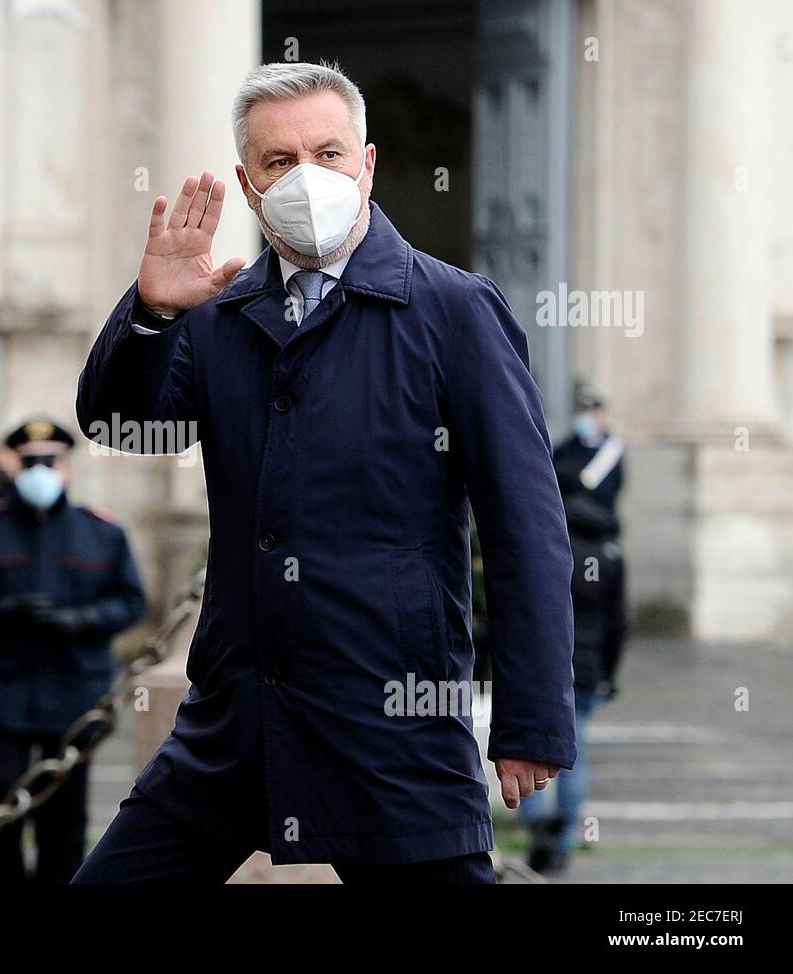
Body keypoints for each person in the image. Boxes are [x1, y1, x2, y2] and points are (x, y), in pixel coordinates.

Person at [73, 61, 576, 884]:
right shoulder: (221, 315)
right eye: (278, 162)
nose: (306, 177)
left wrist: (534, 718)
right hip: (236, 722)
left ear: (367, 164)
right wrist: (155, 313)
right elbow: (125, 426)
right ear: (248, 183)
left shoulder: (452, 310)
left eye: (328, 153)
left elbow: (525, 524)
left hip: (393, 726)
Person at [0, 418, 147, 884]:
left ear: (67, 466)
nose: (41, 471)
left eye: (50, 461)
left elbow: (132, 602)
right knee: (1, 801)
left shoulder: (101, 532)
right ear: (13, 466)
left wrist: (82, 620)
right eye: (30, 462)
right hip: (5, 689)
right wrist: (4, 611)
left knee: (65, 813)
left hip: (74, 690)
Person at [521, 460, 627, 874]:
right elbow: (618, 620)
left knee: (528, 740)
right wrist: (609, 672)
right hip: (588, 666)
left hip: (544, 663)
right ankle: (562, 840)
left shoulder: (547, 537)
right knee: (576, 752)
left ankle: (535, 824)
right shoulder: (608, 545)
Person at [553, 390, 626, 515]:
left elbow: (611, 487)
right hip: (572, 520)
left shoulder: (611, 449)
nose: (587, 418)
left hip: (600, 520)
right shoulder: (566, 447)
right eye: (583, 412)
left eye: (593, 413)